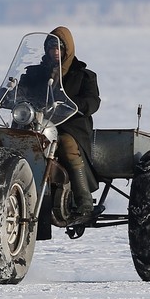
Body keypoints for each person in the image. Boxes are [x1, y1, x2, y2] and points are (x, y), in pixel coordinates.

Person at [48, 26, 100, 225]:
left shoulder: (83, 75)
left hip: (70, 127)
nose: (55, 52)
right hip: (39, 124)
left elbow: (93, 102)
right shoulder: (36, 73)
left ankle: (84, 202)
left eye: (59, 48)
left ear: (67, 49)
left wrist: (75, 105)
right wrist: (2, 96)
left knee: (66, 144)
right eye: (51, 48)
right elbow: (21, 89)